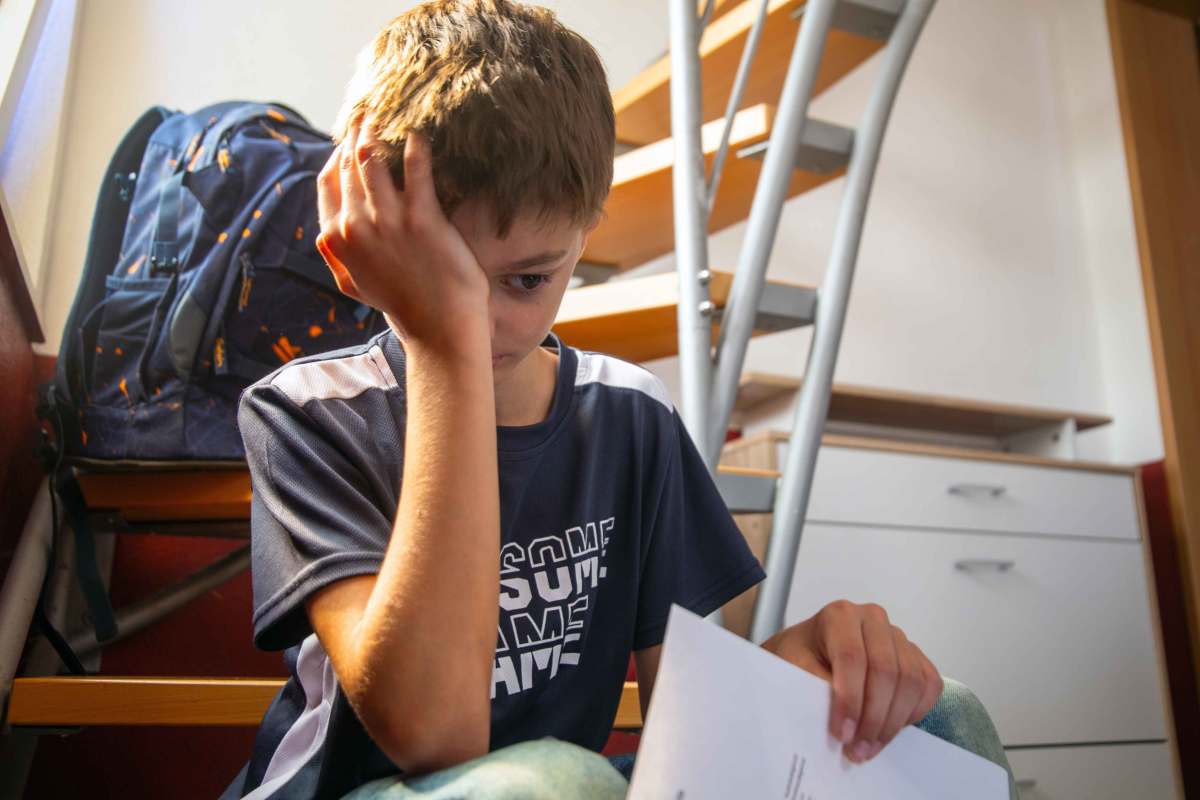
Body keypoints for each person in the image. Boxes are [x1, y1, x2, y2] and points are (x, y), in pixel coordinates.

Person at [220, 2, 1016, 798]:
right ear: (360, 252)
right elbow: (436, 735)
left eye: (527, 280)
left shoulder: (629, 414)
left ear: (586, 234)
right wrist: (444, 345)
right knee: (553, 783)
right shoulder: (306, 412)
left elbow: (692, 728)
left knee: (949, 719)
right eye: (448, 277)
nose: (483, 320)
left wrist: (811, 659)